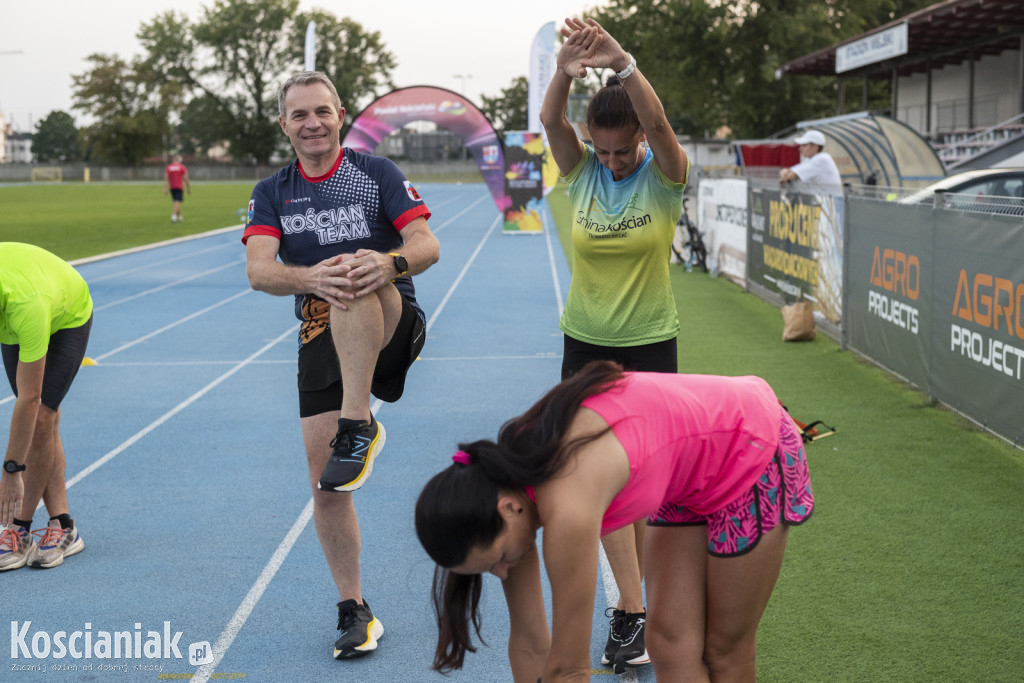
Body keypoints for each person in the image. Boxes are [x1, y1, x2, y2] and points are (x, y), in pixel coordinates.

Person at [415, 361, 814, 682]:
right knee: (669, 642)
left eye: (496, 560)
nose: (503, 571)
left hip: (749, 446)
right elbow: (531, 644)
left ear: (507, 510)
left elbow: (569, 670)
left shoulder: (566, 504)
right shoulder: (505, 489)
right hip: (686, 475)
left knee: (725, 653)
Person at [242, 71, 440, 659]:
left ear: (340, 115)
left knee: (353, 268)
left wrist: (388, 263)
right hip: (321, 331)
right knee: (326, 482)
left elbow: (427, 244)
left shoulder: (376, 173)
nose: (312, 123)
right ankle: (354, 608)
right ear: (284, 125)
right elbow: (259, 270)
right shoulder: (272, 191)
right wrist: (311, 277)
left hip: (391, 314)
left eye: (322, 112)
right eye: (300, 115)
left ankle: (360, 423)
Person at [538, 16, 690, 670]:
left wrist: (622, 61)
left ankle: (668, 597)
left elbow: (659, 125)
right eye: (601, 151)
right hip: (587, 346)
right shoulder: (583, 177)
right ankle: (631, 608)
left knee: (656, 484)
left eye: (620, 151)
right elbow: (551, 123)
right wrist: (564, 73)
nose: (611, 162)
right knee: (599, 481)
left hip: (653, 346)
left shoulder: (664, 175)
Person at [0, 242, 93, 572]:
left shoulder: (27, 307)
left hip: (67, 310)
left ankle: (19, 529)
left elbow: (29, 399)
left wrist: (12, 471)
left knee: (40, 416)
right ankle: (63, 525)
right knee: (43, 422)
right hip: (24, 293)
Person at [778, 130, 842, 194]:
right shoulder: (810, 160)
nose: (800, 148)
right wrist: (784, 173)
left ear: (815, 147)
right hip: (826, 201)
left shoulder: (821, 159)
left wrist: (785, 174)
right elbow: (787, 172)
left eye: (804, 145)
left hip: (832, 202)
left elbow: (791, 175)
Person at [164, 155, 191, 223]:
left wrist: (165, 188)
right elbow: (186, 178)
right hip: (179, 186)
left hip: (172, 187)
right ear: (179, 160)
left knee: (176, 202)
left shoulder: (169, 167)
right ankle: (173, 216)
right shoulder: (182, 167)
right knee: (177, 201)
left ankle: (179, 216)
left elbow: (166, 179)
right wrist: (188, 188)